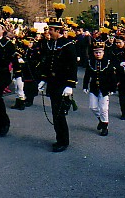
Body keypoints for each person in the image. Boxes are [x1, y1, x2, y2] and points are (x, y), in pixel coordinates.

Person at [38, 18, 78, 152]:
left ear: (58, 31)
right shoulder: (50, 44)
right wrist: (43, 79)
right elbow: (47, 63)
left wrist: (70, 85)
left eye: (51, 29)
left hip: (62, 84)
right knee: (55, 113)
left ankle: (63, 141)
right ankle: (59, 138)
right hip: (53, 83)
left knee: (60, 113)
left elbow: (72, 66)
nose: (49, 32)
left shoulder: (68, 45)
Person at [83, 42, 117, 136]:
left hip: (105, 89)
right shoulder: (91, 62)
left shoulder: (107, 63)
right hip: (94, 88)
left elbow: (112, 77)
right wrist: (85, 86)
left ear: (103, 53)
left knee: (104, 108)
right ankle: (101, 120)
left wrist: (113, 88)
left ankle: (105, 126)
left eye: (100, 52)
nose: (98, 54)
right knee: (93, 107)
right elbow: (87, 75)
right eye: (96, 52)